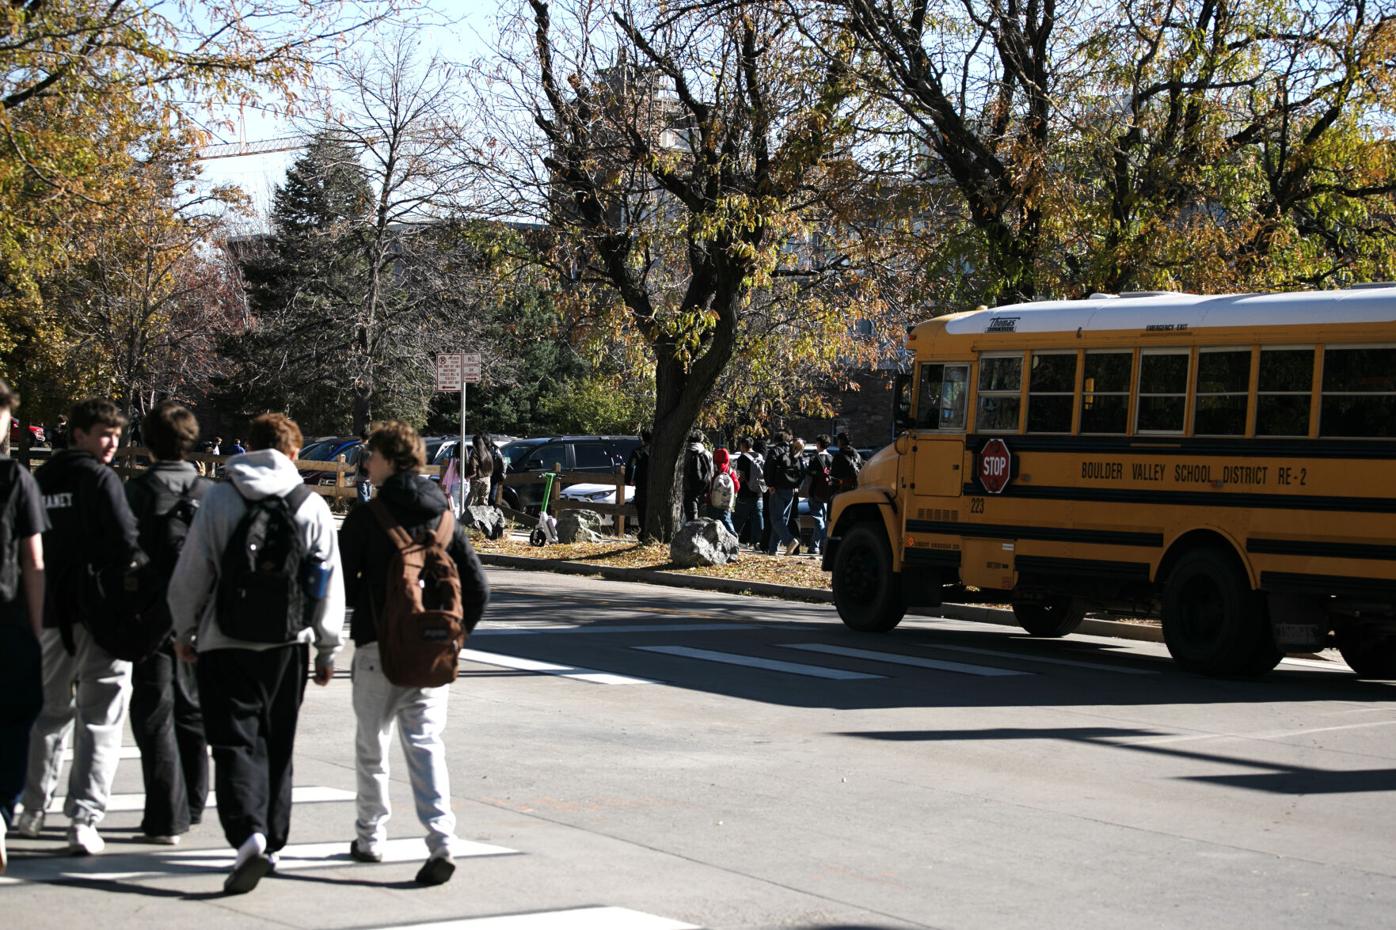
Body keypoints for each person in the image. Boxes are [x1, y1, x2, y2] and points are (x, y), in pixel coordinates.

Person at [167, 413, 344, 895]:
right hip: (288, 645)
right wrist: (327, 646)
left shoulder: (220, 496)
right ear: (293, 453)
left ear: (248, 447)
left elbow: (192, 572)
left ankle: (248, 836)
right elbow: (327, 585)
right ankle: (276, 841)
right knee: (278, 743)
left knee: (232, 743)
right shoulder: (310, 506)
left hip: (225, 640)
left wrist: (184, 630)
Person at [339, 421, 489, 885]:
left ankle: (371, 837)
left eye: (371, 455)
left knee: (372, 746)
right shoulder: (444, 517)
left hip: (377, 649)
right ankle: (442, 841)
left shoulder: (367, 517)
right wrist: (454, 635)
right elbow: (477, 586)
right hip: (429, 653)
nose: (366, 462)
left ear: (388, 459)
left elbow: (342, 586)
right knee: (425, 746)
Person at [18, 399, 140, 855]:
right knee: (100, 720)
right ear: (79, 434)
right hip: (100, 615)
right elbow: (128, 541)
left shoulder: (40, 479)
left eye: (115, 433)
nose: (111, 443)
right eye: (103, 433)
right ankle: (84, 818)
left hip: (51, 613)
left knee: (47, 715)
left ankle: (32, 808)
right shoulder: (100, 479)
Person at [123, 402, 211, 846]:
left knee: (154, 714)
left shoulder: (136, 493)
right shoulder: (209, 493)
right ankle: (195, 802)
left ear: (149, 440)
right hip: (201, 618)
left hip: (154, 616)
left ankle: (165, 815)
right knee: (192, 712)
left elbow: (122, 554)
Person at [0, 380, 48, 874]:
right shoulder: (14, 480)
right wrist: (37, 627)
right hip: (8, 613)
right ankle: (0, 809)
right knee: (14, 720)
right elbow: (33, 561)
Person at [764, 430, 803, 556]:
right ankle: (773, 549)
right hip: (791, 489)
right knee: (782, 519)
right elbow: (802, 469)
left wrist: (770, 484)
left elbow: (768, 468)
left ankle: (790, 540)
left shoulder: (775, 451)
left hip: (777, 488)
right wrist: (796, 485)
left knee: (776, 519)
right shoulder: (794, 451)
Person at [732, 438, 765, 549]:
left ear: (743, 445)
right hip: (759, 492)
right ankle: (758, 542)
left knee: (739, 518)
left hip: (745, 492)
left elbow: (741, 477)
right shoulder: (760, 456)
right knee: (757, 517)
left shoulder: (742, 458)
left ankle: (731, 539)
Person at [806, 435, 835, 556]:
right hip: (828, 492)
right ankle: (814, 546)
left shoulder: (815, 458)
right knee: (823, 519)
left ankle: (824, 543)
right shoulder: (832, 458)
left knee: (818, 519)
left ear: (818, 444)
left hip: (816, 491)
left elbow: (809, 474)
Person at [704, 447, 739, 535]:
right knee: (726, 520)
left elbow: (707, 484)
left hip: (712, 502)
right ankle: (733, 536)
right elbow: (737, 486)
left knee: (711, 523)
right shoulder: (730, 471)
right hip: (726, 503)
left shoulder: (712, 469)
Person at [681, 430, 713, 523]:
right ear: (701, 440)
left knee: (689, 518)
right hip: (703, 489)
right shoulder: (707, 453)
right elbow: (711, 472)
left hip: (688, 489)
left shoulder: (684, 453)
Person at [624, 430, 651, 535]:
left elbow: (630, 467)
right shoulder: (660, 452)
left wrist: (629, 480)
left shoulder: (638, 452)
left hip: (641, 483)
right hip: (656, 485)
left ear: (642, 439)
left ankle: (643, 530)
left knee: (641, 507)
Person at [831, 432, 862, 496]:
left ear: (840, 441)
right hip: (857, 486)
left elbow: (834, 475)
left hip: (843, 489)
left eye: (838, 440)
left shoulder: (839, 456)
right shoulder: (857, 455)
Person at [468, 434, 492, 506]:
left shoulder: (475, 453)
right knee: (484, 502)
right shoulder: (487, 452)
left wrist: (469, 476)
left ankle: (471, 517)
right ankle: (483, 517)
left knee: (472, 503)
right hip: (487, 479)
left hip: (477, 480)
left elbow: (473, 467)